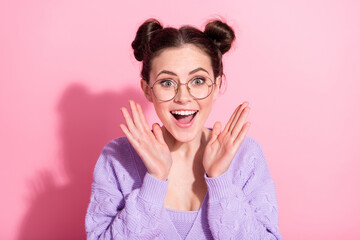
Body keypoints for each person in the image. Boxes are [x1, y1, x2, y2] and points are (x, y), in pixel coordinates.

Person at [85, 18, 282, 240]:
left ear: (216, 86)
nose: (183, 98)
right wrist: (155, 181)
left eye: (198, 81)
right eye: (167, 83)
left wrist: (220, 181)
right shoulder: (117, 157)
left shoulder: (246, 155)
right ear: (147, 90)